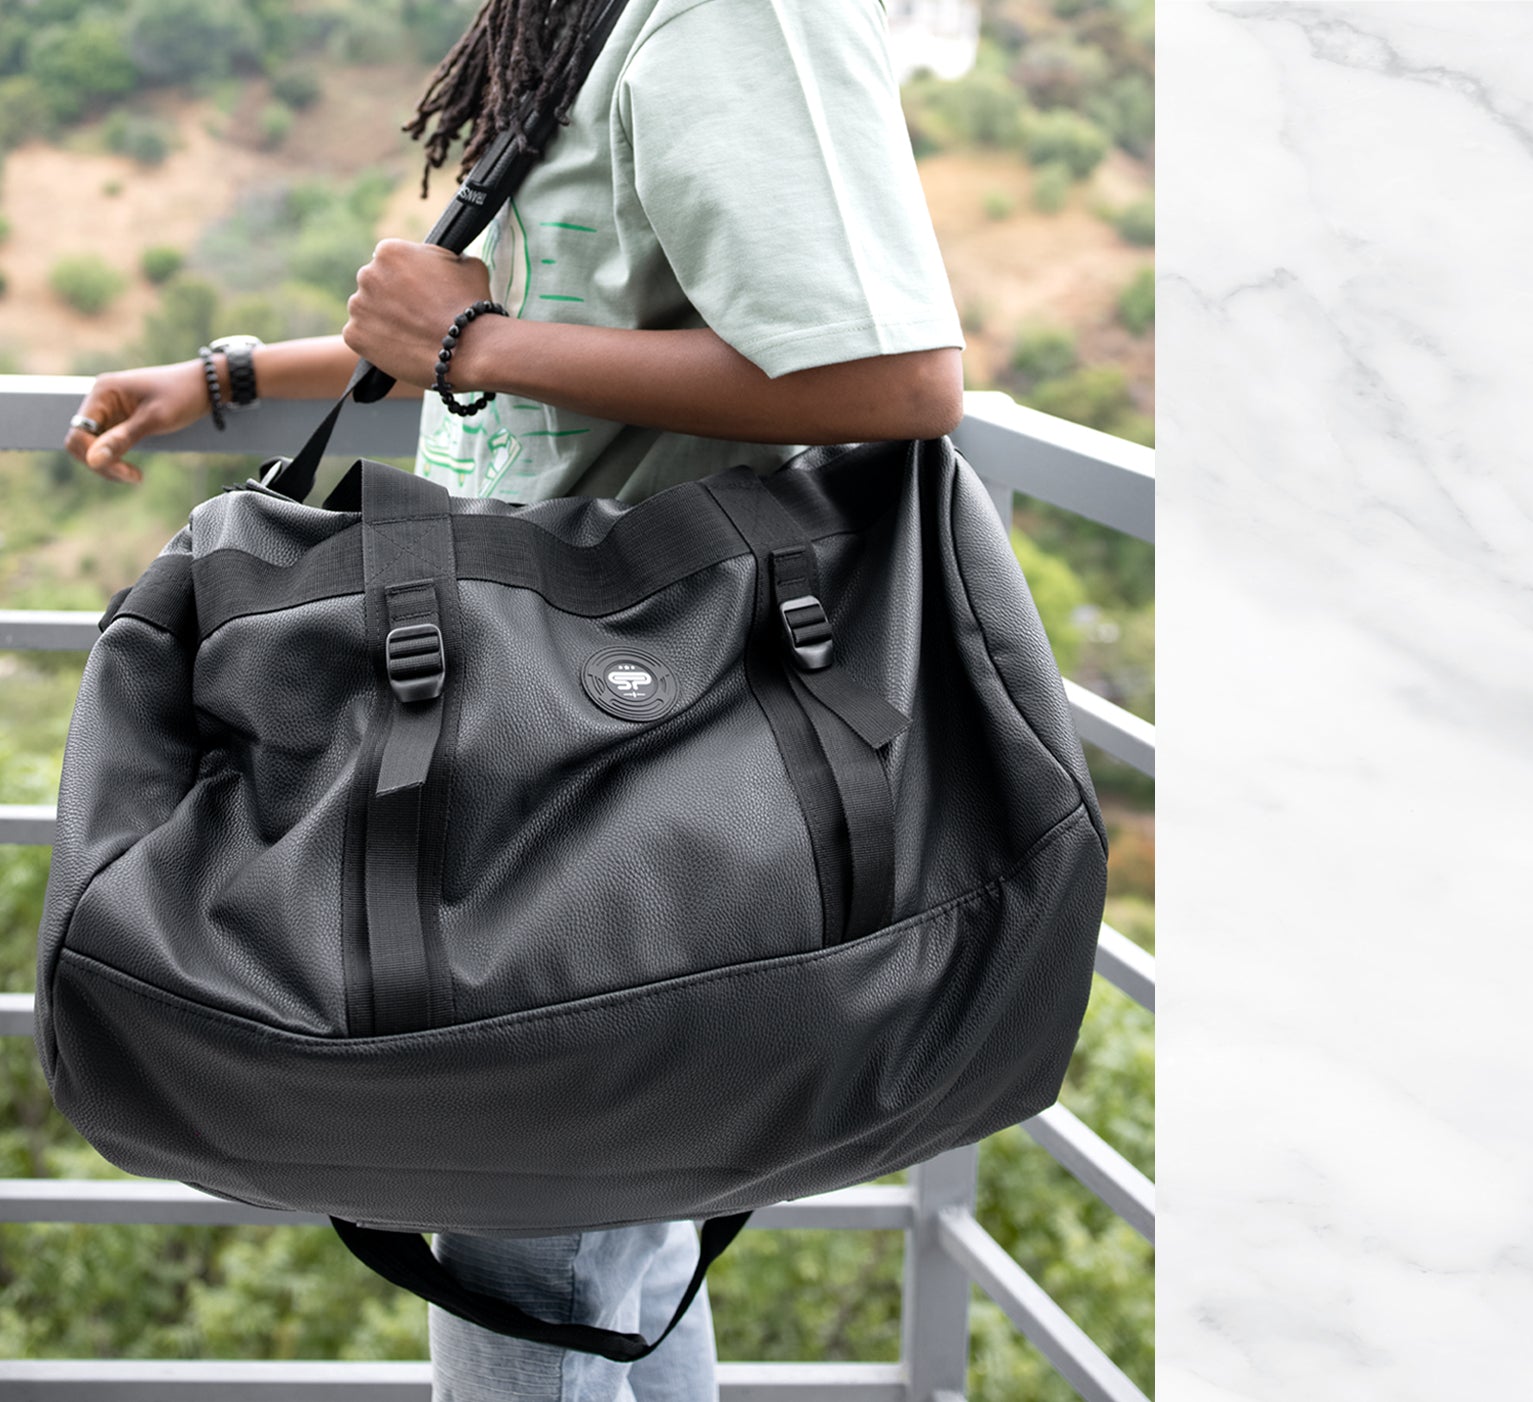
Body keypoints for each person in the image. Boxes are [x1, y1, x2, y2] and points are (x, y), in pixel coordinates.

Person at [61, 0, 965, 1396]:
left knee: (529, 1242)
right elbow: (563, 347)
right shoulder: (598, 19)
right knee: (600, 1259)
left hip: (621, 739)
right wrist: (236, 376)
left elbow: (896, 375)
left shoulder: (732, 16)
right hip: (545, 711)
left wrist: (474, 339)